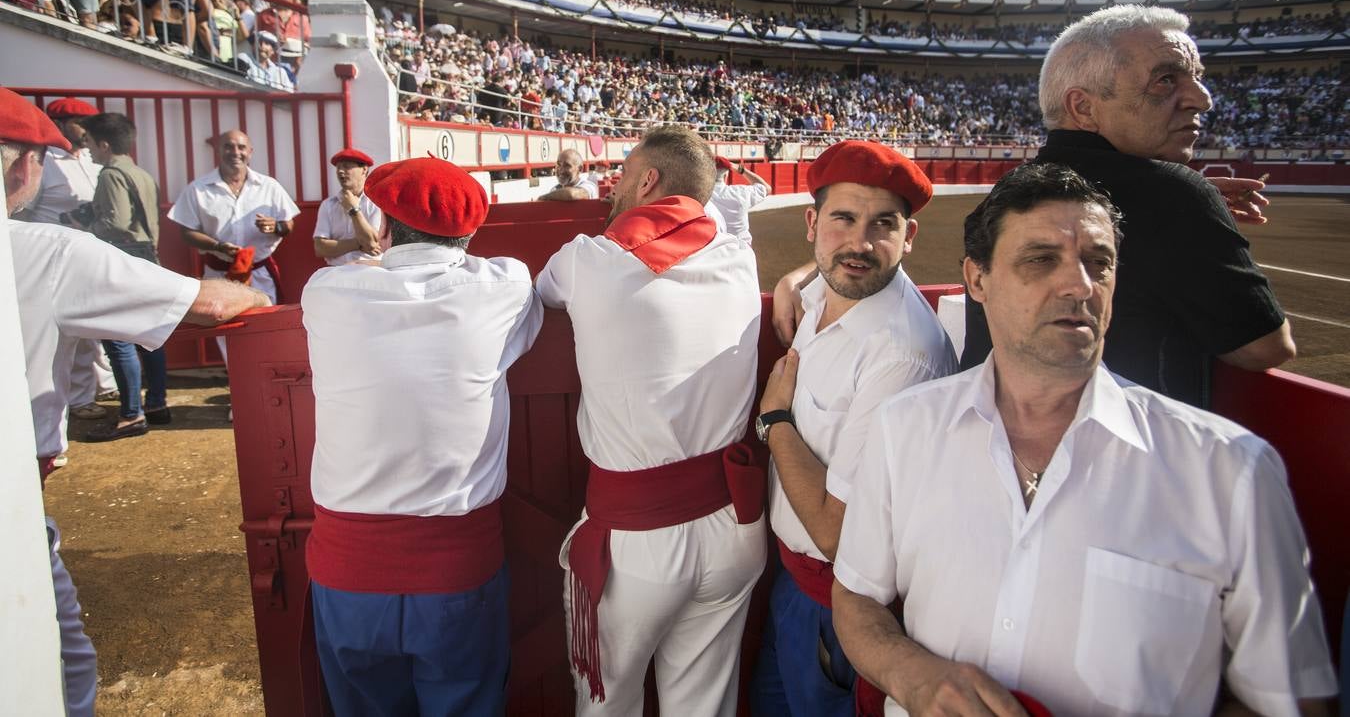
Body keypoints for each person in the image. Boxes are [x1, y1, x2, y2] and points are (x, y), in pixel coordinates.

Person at [831, 163, 1336, 717]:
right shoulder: (904, 425)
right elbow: (857, 597)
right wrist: (913, 676)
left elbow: (1293, 703)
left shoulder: (1232, 471)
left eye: (1099, 263)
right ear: (977, 280)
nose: (1080, 285)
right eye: (1041, 260)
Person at [3, 86, 269, 717]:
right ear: (25, 168)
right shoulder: (45, 249)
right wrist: (257, 297)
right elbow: (208, 305)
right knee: (55, 669)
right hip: (10, 504)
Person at [536, 125, 766, 714]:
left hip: (636, 541)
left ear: (647, 180)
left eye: (622, 175)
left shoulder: (589, 260)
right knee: (703, 704)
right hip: (732, 526)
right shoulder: (740, 256)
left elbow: (546, 292)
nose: (611, 188)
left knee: (607, 704)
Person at [961, 5, 1293, 409]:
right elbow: (1263, 348)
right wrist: (1191, 202)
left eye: (1197, 78)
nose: (1201, 100)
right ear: (1083, 108)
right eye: (1165, 80)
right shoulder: (1174, 197)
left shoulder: (1003, 196)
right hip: (1134, 456)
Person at [302, 157, 542, 715]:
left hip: (347, 569)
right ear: (472, 233)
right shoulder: (504, 284)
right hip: (457, 570)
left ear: (382, 225)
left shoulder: (327, 290)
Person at [749, 141, 957, 717]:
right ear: (812, 224)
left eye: (882, 225)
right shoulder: (826, 287)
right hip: (797, 587)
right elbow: (829, 270)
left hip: (838, 604)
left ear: (908, 238)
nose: (860, 243)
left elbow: (836, 533)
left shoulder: (903, 354)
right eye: (843, 218)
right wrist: (793, 279)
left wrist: (775, 420)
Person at [21, 97, 115, 422]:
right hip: (54, 259)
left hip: (91, 253)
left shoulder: (92, 159)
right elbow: (26, 213)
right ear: (60, 125)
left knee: (97, 325)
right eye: (80, 122)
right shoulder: (45, 162)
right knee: (69, 331)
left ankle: (104, 385)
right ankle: (78, 398)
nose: (87, 129)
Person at [81, 111, 174, 439]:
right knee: (150, 335)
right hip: (147, 255)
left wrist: (83, 227)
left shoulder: (110, 175)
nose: (88, 149)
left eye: (90, 142)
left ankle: (131, 414)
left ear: (104, 144)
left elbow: (116, 223)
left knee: (119, 336)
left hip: (123, 257)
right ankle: (156, 403)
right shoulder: (141, 173)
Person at [168, 129, 299, 305]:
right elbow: (187, 233)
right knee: (222, 329)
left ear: (250, 152)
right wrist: (218, 246)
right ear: (218, 151)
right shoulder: (198, 189)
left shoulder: (269, 186)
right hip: (218, 276)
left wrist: (276, 227)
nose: (236, 153)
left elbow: (288, 225)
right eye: (228, 147)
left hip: (260, 274)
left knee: (263, 328)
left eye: (241, 147)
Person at [312, 148, 383, 266]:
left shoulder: (376, 202)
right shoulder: (328, 205)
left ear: (364, 170)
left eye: (346, 166)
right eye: (338, 167)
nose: (340, 171)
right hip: (336, 271)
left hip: (369, 271)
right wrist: (358, 244)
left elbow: (372, 243)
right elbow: (320, 248)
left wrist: (354, 210)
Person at [708, 155, 770, 246]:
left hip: (714, 250)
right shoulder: (741, 192)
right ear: (726, 175)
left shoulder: (701, 195)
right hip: (742, 250)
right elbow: (767, 188)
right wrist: (740, 169)